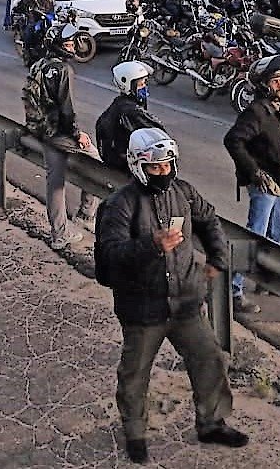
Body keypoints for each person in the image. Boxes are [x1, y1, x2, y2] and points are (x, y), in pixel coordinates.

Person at [97, 128, 249, 464]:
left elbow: (210, 221)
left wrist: (217, 260)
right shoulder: (120, 205)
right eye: (155, 167)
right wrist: (151, 245)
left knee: (209, 359)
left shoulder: (184, 193)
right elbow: (110, 254)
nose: (164, 172)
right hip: (144, 308)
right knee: (135, 374)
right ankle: (134, 432)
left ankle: (211, 422)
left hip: (186, 303)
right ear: (138, 166)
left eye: (168, 165)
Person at [224, 55, 280, 313]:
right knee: (254, 235)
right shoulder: (256, 112)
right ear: (264, 84)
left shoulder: (278, 110)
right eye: (276, 81)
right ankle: (233, 290)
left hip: (279, 184)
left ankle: (265, 280)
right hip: (263, 185)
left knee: (278, 236)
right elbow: (233, 140)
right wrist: (255, 174)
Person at [22, 22, 99, 250]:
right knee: (95, 161)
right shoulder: (64, 70)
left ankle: (59, 234)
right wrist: (78, 135)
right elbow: (67, 110)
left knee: (54, 182)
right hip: (57, 133)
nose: (73, 47)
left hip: (40, 130)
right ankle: (86, 215)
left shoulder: (39, 64)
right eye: (68, 43)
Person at [96, 61, 166, 172]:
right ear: (128, 84)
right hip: (124, 165)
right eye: (141, 84)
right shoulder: (130, 110)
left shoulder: (121, 103)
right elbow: (158, 132)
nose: (144, 87)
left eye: (144, 83)